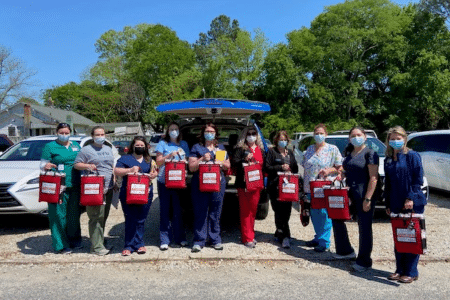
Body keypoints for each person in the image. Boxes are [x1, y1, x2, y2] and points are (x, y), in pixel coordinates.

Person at [332, 127, 379, 272]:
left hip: (364, 195)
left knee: (364, 228)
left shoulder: (370, 153)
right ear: (349, 139)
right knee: (337, 218)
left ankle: (364, 261)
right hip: (350, 194)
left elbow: (374, 177)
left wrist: (368, 199)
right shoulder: (349, 153)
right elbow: (348, 170)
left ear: (365, 137)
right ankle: (345, 250)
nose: (356, 138)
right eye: (353, 136)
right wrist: (341, 175)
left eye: (359, 135)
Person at [384, 126, 426, 283]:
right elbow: (387, 183)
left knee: (412, 236)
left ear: (404, 139)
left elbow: (418, 179)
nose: (395, 141)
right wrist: (387, 202)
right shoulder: (388, 158)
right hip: (395, 201)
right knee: (400, 237)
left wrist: (410, 198)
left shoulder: (412, 155)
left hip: (412, 202)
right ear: (388, 141)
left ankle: (411, 271)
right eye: (392, 138)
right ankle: (399, 269)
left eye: (398, 138)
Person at [188, 122, 230, 252]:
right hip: (200, 184)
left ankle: (215, 239)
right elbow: (191, 167)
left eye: (212, 132)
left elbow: (228, 166)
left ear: (216, 134)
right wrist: (201, 159)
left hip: (217, 183)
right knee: (200, 212)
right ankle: (199, 241)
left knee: (215, 212)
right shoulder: (196, 147)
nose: (209, 134)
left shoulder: (220, 148)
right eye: (207, 132)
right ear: (203, 133)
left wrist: (221, 162)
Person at [41, 123, 82, 254]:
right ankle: (61, 245)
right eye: (61, 132)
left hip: (74, 184)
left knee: (73, 215)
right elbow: (42, 164)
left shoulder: (76, 145)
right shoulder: (50, 146)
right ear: (56, 132)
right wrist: (46, 165)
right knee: (58, 215)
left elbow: (82, 160)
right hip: (58, 186)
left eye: (66, 133)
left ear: (70, 133)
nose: (64, 135)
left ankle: (74, 240)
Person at [114, 136, 158, 256]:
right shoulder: (125, 158)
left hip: (145, 194)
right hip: (128, 193)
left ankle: (139, 244)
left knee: (141, 219)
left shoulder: (149, 160)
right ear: (132, 146)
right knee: (130, 218)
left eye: (141, 145)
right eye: (137, 145)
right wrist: (130, 170)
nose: (139, 147)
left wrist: (153, 175)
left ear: (146, 147)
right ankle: (128, 245)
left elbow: (155, 171)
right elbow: (116, 171)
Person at [74, 126, 115, 256]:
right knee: (95, 217)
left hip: (108, 188)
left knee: (103, 217)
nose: (100, 136)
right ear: (92, 136)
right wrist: (87, 166)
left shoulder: (108, 148)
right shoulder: (86, 150)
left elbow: (110, 166)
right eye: (97, 134)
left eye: (102, 134)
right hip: (94, 189)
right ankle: (96, 247)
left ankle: (100, 240)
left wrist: (114, 180)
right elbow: (76, 164)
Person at [302, 123, 342, 252]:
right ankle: (318, 237)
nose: (319, 135)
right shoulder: (309, 149)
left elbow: (340, 167)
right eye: (316, 133)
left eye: (321, 133)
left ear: (326, 135)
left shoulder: (332, 149)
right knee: (314, 213)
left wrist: (329, 170)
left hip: (324, 187)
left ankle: (324, 242)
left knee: (324, 214)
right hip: (310, 187)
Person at [155, 122, 190, 250]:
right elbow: (158, 162)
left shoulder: (184, 144)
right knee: (165, 211)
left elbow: (187, 160)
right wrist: (169, 156)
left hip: (179, 182)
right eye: (171, 129)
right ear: (168, 131)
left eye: (176, 129)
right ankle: (165, 239)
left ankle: (180, 238)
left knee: (178, 211)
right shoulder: (162, 144)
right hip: (164, 181)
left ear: (179, 131)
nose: (174, 131)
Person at [232, 126, 266, 248]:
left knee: (253, 211)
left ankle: (251, 234)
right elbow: (234, 162)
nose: (251, 136)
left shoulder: (260, 150)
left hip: (256, 184)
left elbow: (264, 166)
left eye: (253, 133)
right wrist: (244, 160)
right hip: (243, 184)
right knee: (245, 211)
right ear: (245, 135)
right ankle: (247, 238)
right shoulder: (240, 149)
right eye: (249, 133)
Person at [265, 130, 298, 249]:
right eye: (280, 140)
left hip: (288, 187)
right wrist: (280, 167)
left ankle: (279, 231)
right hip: (275, 186)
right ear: (276, 141)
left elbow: (296, 168)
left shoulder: (290, 152)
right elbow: (267, 167)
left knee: (287, 212)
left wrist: (290, 170)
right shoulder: (271, 152)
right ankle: (285, 237)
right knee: (279, 212)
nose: (282, 142)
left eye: (284, 140)